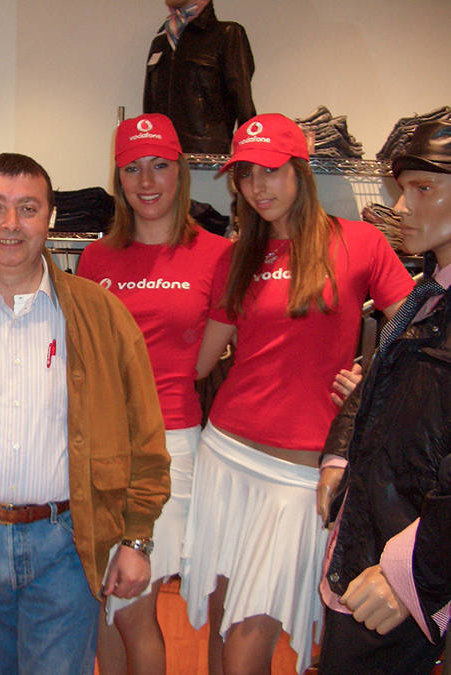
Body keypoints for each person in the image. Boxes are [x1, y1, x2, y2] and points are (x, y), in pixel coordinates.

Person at [0, 152, 171, 674]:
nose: (11, 224)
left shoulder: (100, 313)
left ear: (50, 217)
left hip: (68, 542)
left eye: (28, 208)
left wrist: (136, 537)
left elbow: (145, 437)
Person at [180, 113, 414, 674]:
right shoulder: (238, 255)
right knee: (221, 620)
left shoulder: (360, 242)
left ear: (299, 170)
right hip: (225, 455)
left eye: (270, 171)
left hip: (301, 474)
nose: (257, 187)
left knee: (247, 641)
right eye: (245, 175)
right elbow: (200, 360)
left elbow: (417, 334)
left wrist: (371, 383)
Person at [77, 113, 231, 673]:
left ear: (180, 172)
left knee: (134, 603)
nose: (146, 181)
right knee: (101, 602)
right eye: (132, 168)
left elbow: (203, 363)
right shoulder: (96, 259)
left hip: (170, 442)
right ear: (118, 178)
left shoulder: (217, 254)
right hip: (99, 445)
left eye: (159, 166)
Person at [317, 120, 451, 673]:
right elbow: (378, 378)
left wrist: (411, 571)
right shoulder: (427, 294)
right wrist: (338, 456)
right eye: (402, 188)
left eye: (423, 188)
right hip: (370, 531)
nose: (400, 206)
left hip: (410, 563)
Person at [143, 0, 256, 154]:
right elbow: (149, 107)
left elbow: (243, 101)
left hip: (207, 159)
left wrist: (250, 153)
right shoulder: (161, 43)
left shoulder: (227, 34)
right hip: (163, 156)